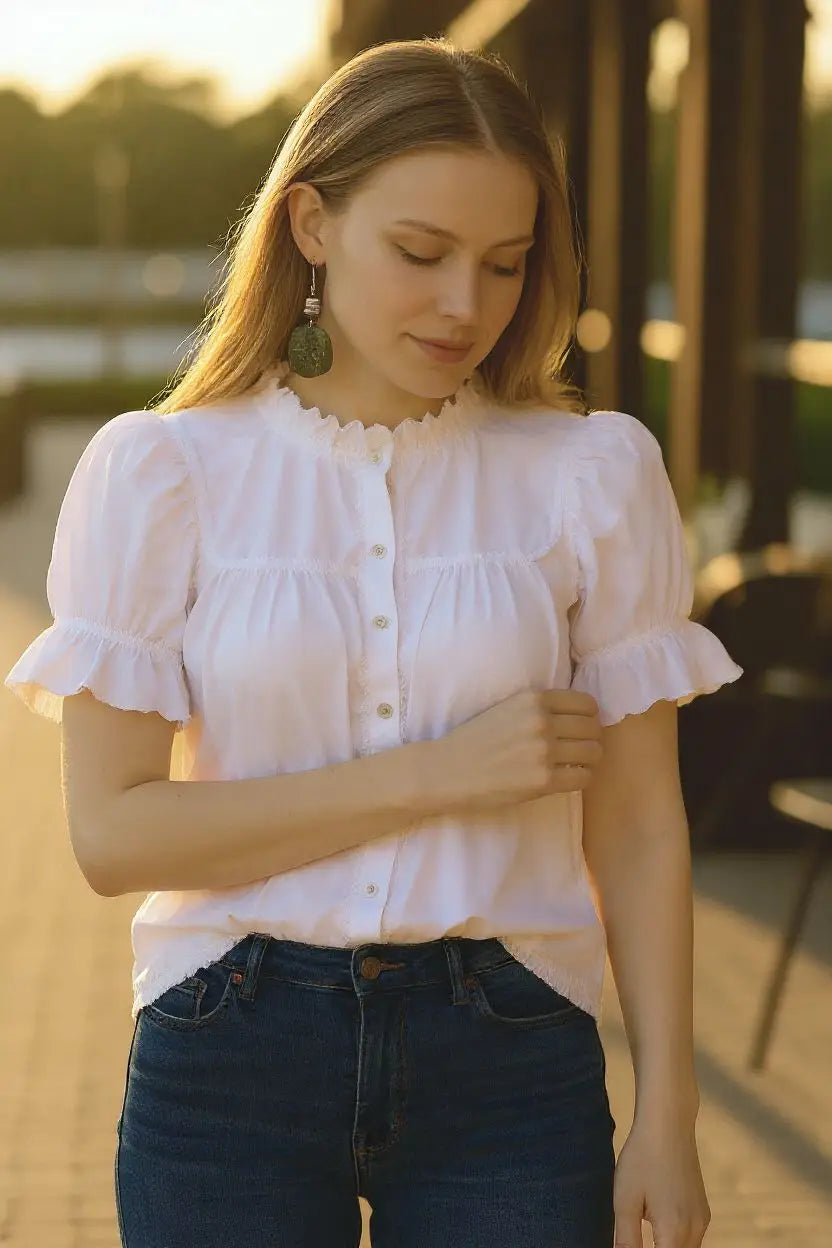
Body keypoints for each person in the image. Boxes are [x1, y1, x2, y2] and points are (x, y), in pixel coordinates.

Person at [4, 37, 742, 1248]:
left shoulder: (591, 475)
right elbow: (114, 835)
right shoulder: (162, 474)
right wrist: (433, 776)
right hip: (226, 1052)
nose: (466, 304)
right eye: (421, 253)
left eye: (504, 266)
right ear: (308, 224)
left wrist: (669, 1108)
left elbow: (642, 824)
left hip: (511, 1057)